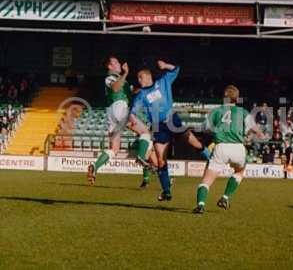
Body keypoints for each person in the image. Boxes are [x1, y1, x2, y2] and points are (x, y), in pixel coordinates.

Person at [131, 60, 210, 201]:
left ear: (147, 77)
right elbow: (133, 112)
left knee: (194, 143)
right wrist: (133, 120)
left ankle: (212, 159)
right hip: (157, 126)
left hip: (172, 119)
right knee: (161, 160)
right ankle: (166, 191)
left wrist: (166, 65)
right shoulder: (141, 95)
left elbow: (176, 69)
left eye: (139, 78)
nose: (138, 81)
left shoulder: (162, 82)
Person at [192, 85, 266, 214]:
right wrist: (258, 134)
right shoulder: (243, 112)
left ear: (224, 98)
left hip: (221, 147)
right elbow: (255, 129)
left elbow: (205, 128)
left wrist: (216, 130)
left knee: (206, 180)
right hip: (238, 148)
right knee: (239, 172)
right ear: (237, 99)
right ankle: (225, 197)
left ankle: (200, 205)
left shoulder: (216, 111)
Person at [87, 56, 153, 186]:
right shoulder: (111, 77)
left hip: (111, 113)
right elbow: (116, 88)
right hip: (120, 108)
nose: (118, 64)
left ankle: (95, 167)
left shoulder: (123, 80)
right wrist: (126, 73)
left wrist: (145, 88)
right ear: (109, 67)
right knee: (146, 133)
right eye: (115, 62)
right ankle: (141, 158)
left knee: (114, 149)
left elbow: (132, 91)